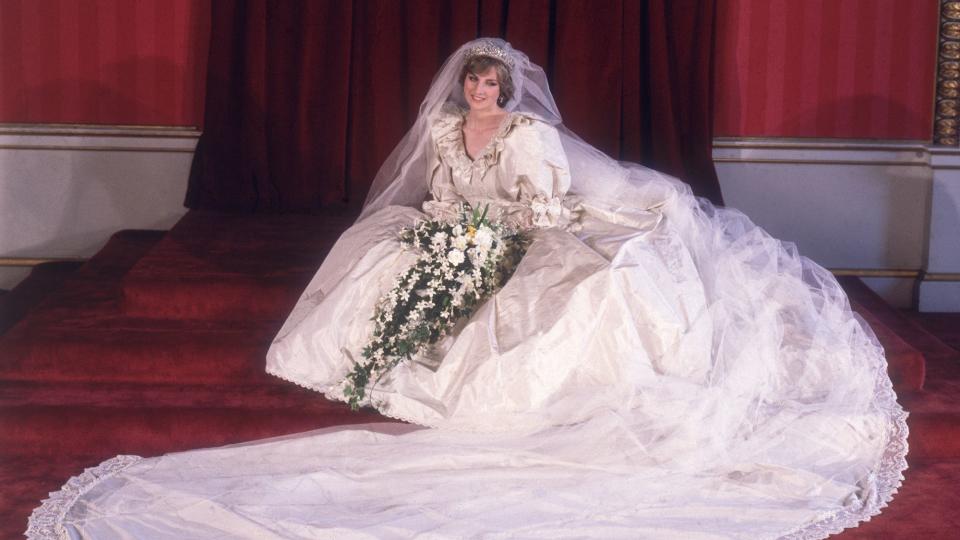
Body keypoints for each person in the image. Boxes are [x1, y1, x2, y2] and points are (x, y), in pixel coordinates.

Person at [29, 38, 907, 539]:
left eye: (492, 83)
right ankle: (375, 360)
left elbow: (543, 207)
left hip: (533, 227)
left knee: (555, 296)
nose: (482, 92)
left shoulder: (529, 137)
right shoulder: (451, 134)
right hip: (467, 230)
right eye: (473, 83)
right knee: (383, 255)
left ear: (509, 87)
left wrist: (492, 237)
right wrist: (445, 227)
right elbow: (447, 194)